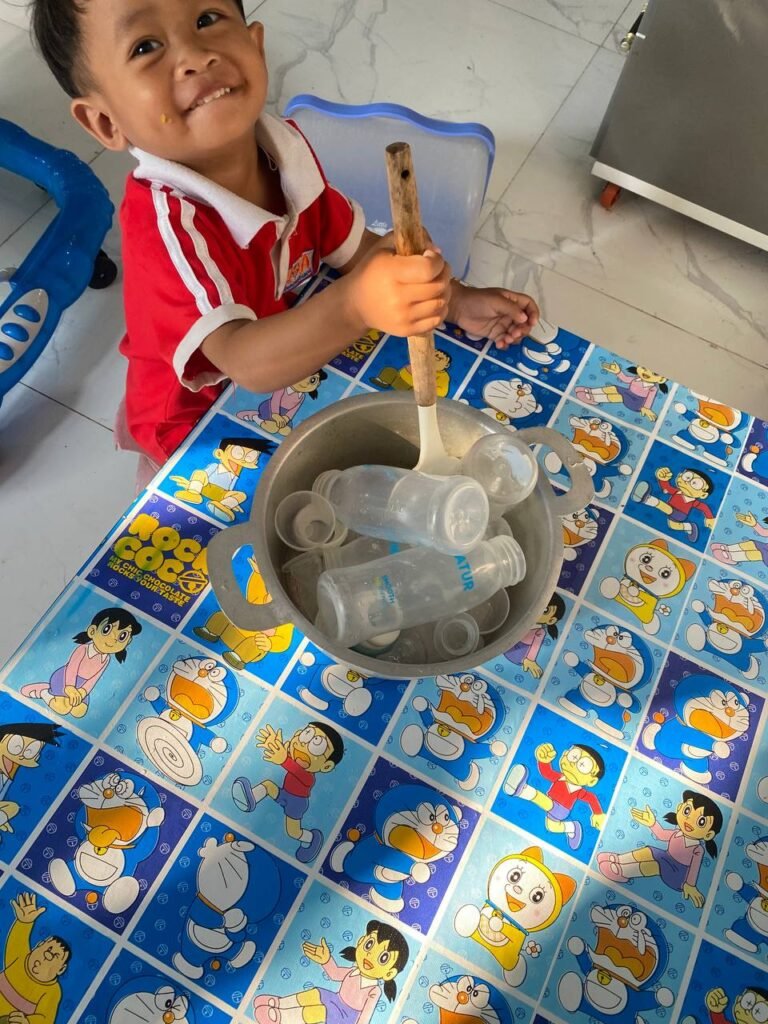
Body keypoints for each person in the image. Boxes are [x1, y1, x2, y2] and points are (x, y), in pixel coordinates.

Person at [31, 0, 541, 480]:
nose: (194, 56)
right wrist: (357, 303)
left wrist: (450, 299)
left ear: (256, 44)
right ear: (105, 121)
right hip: (196, 428)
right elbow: (244, 361)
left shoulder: (285, 146)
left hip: (291, 377)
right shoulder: (167, 227)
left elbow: (348, 242)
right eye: (145, 47)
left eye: (207, 18)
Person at [253, 920, 409, 1024]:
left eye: (383, 958)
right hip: (335, 999)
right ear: (361, 942)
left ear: (389, 973)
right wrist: (326, 960)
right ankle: (279, 1003)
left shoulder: (374, 991)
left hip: (346, 1017)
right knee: (316, 993)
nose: (370, 956)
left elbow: (365, 1017)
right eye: (369, 945)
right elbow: (334, 974)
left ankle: (280, 1018)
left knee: (320, 1010)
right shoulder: (352, 971)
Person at [231, 721, 343, 863]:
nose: (304, 745)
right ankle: (250, 798)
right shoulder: (291, 756)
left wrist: (283, 759)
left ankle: (311, 838)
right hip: (284, 793)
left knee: (293, 832)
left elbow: (297, 771)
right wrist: (274, 743)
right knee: (268, 785)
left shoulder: (309, 777)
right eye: (305, 735)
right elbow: (287, 757)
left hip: (297, 803)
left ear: (326, 766)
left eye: (316, 745)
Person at [597, 789, 722, 909]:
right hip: (666, 857)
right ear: (679, 808)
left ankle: (623, 872)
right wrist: (652, 823)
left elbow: (694, 869)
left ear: (708, 835)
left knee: (656, 865)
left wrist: (690, 885)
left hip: (678, 875)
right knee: (649, 850)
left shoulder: (697, 850)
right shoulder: (676, 833)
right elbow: (661, 835)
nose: (689, 820)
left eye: (701, 822)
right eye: (687, 811)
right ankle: (618, 859)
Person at [20, 607, 142, 717]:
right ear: (92, 631)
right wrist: (69, 688)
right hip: (64, 678)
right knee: (62, 709)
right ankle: (44, 692)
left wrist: (83, 692)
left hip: (81, 687)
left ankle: (53, 693)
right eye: (106, 629)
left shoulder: (106, 659)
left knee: (79, 712)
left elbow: (94, 679)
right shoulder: (82, 649)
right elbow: (71, 669)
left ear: (128, 642)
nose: (113, 639)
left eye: (122, 636)